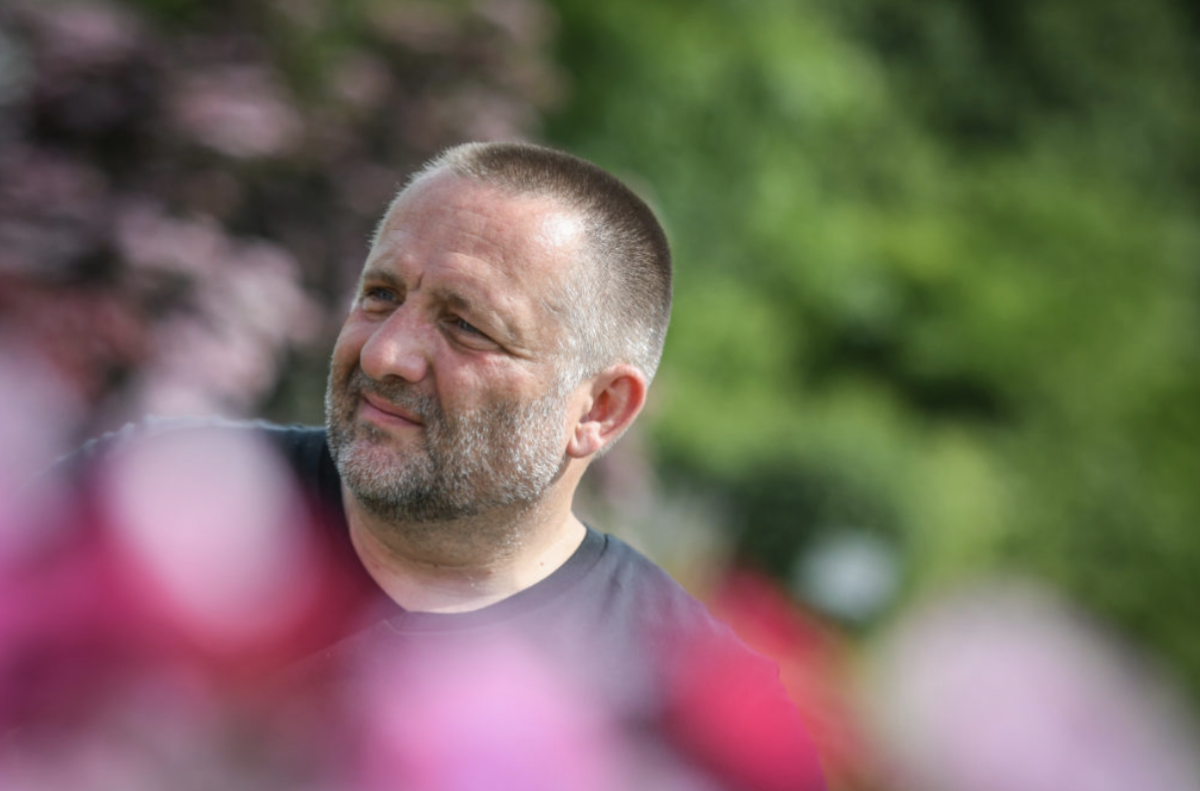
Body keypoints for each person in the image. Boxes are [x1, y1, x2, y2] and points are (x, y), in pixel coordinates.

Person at [35, 142, 825, 790]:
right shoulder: (153, 510)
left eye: (466, 325)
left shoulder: (673, 699)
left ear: (601, 409)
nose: (386, 353)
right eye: (380, 295)